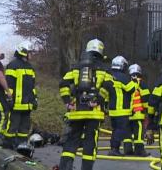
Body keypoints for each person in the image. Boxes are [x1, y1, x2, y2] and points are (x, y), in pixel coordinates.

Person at [58, 39, 110, 170]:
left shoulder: (77, 67)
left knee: (72, 140)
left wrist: (67, 101)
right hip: (94, 112)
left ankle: (65, 167)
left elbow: (63, 84)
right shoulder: (104, 68)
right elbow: (108, 87)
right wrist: (98, 100)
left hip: (76, 111)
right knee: (90, 143)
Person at [4, 42, 37, 149]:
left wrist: (34, 99)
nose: (31, 55)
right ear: (23, 52)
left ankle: (21, 147)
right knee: (12, 127)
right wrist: (9, 99)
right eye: (29, 52)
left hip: (27, 105)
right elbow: (9, 85)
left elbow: (32, 86)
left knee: (24, 128)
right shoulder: (12, 65)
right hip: (15, 104)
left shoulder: (30, 67)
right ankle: (8, 147)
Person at [104, 55, 136, 156]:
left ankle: (114, 148)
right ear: (122, 66)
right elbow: (131, 89)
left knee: (115, 130)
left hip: (112, 110)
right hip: (122, 110)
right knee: (120, 130)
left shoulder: (109, 76)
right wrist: (134, 81)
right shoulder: (123, 77)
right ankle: (114, 150)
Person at [128, 63, 150, 156]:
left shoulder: (128, 83)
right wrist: (148, 111)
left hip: (127, 113)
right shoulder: (142, 84)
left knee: (128, 134)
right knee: (139, 133)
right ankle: (139, 151)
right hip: (138, 113)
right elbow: (146, 99)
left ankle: (127, 150)